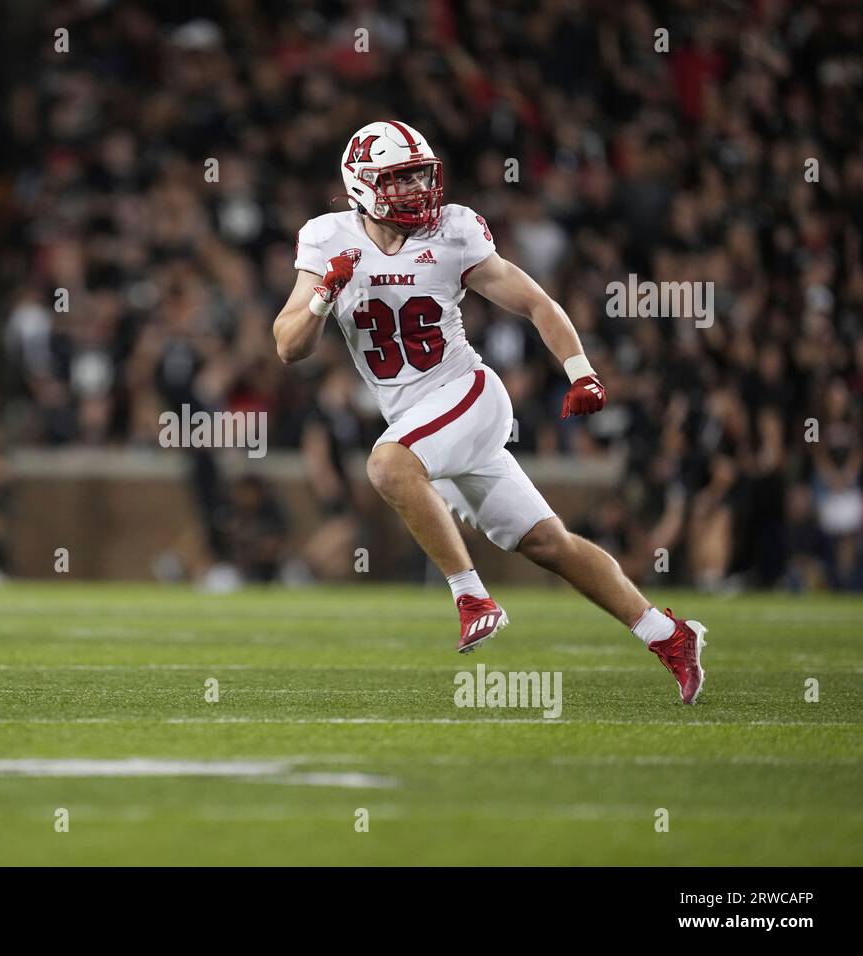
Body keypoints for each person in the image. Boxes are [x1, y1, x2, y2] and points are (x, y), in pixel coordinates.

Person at [272, 121, 706, 703]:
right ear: (362, 185)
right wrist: (326, 295)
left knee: (386, 466)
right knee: (549, 545)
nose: (417, 190)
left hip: (468, 393)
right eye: (399, 179)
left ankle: (470, 595)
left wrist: (580, 370)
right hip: (418, 420)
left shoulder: (453, 231)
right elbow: (288, 345)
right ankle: (668, 634)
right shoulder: (326, 238)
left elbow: (534, 300)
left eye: (421, 175)